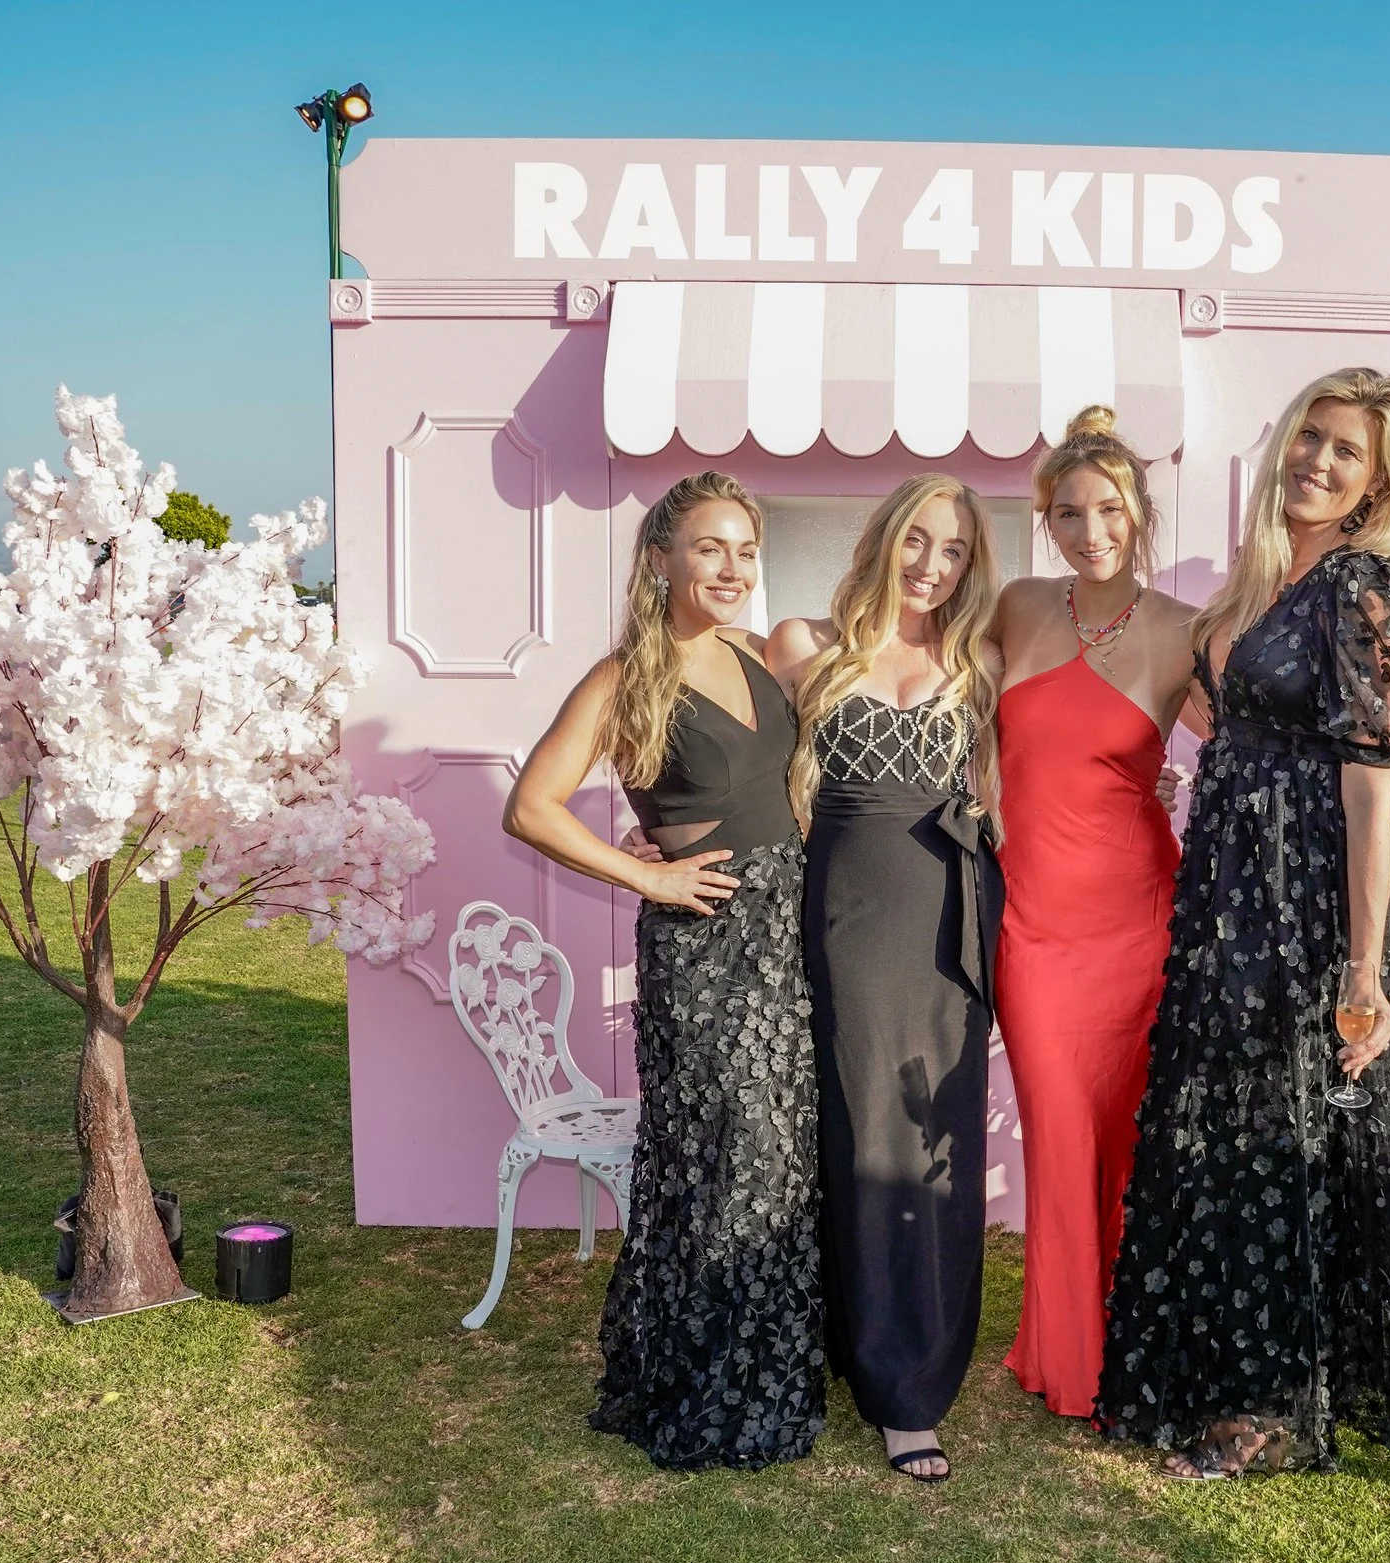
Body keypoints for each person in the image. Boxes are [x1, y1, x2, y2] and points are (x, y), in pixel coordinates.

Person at [1095, 368, 1390, 1483]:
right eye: (1310, 436)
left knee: (1281, 1129)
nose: (1318, 461)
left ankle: (1271, 1406)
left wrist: (1364, 967)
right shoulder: (1256, 579)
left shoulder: (1364, 587)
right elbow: (1233, 728)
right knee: (1223, 1116)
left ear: (1375, 482)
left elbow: (1372, 796)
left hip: (1308, 903)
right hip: (1227, 889)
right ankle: (1213, 1370)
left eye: (1347, 451)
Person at [500, 472, 824, 1471]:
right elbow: (530, 806)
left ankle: (772, 1373)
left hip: (791, 936)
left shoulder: (757, 655)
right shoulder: (621, 679)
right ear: (660, 559)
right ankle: (708, 1385)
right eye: (708, 547)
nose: (730, 568)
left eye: (744, 550)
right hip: (707, 949)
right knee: (723, 1159)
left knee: (781, 1156)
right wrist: (646, 873)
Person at [765, 473, 1003, 1483]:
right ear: (881, 537)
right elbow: (744, 770)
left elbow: (1012, 789)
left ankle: (917, 1387)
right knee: (859, 1138)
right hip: (846, 925)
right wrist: (668, 834)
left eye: (954, 550)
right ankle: (856, 1354)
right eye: (917, 540)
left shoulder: (979, 661)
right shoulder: (801, 645)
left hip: (951, 930)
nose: (931, 565)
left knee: (938, 1145)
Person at [990, 406, 1201, 1418]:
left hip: (1138, 922)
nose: (1090, 531)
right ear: (1047, 521)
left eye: (1109, 509)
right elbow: (919, 686)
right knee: (1059, 1131)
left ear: (1139, 512)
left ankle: (1135, 1342)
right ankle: (1068, 1356)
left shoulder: (1183, 630)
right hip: (1032, 925)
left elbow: (1251, 748)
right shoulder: (1016, 606)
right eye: (1068, 513)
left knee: (1129, 1138)